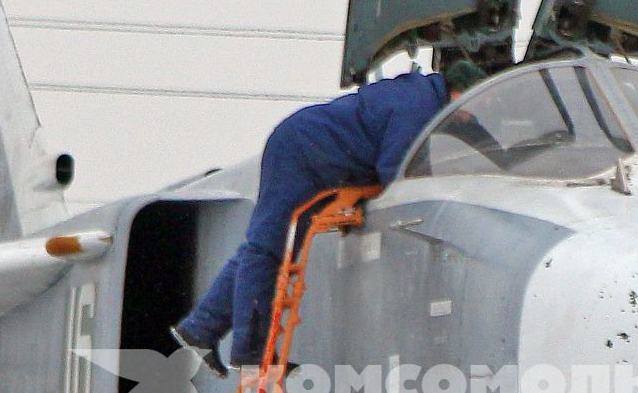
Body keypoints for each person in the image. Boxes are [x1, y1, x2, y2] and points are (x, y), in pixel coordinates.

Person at [173, 60, 488, 375]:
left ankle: (202, 327)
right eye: (471, 106)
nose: (470, 116)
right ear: (457, 93)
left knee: (268, 247)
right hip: (303, 151)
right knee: (268, 247)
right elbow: (398, 169)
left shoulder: (428, 98)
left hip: (316, 154)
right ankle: (250, 349)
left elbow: (462, 143)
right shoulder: (418, 108)